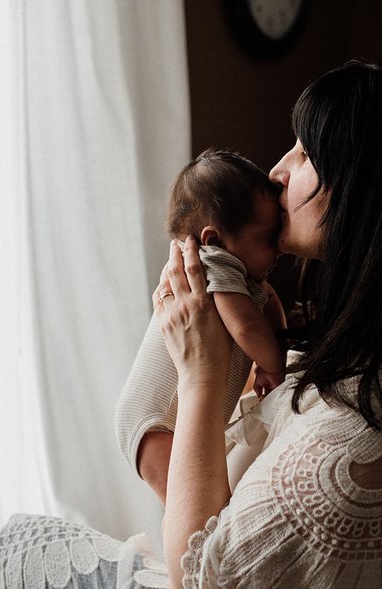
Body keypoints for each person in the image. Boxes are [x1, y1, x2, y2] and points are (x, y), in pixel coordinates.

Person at [0, 60, 382, 589]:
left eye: (306, 155)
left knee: (9, 555)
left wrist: (200, 373)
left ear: (370, 190)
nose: (278, 171)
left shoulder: (366, 440)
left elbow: (200, 576)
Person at [115, 149, 287, 505]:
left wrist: (278, 344)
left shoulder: (239, 274)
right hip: (156, 422)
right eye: (268, 239)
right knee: (196, 514)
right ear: (214, 239)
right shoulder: (212, 262)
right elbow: (242, 325)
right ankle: (182, 556)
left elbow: (267, 305)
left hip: (164, 419)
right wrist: (272, 364)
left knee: (200, 502)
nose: (278, 250)